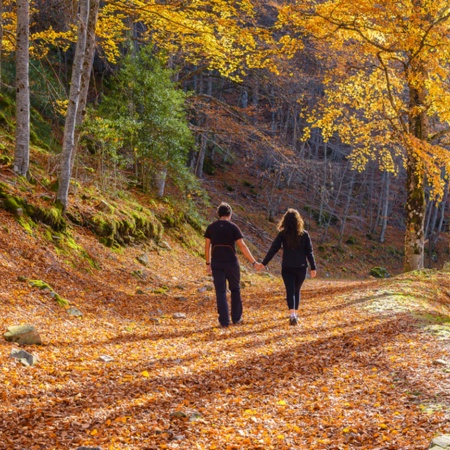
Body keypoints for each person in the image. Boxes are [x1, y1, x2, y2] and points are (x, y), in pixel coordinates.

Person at [204, 202, 263, 327]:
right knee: (235, 289)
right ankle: (236, 318)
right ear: (230, 214)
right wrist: (253, 262)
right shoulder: (233, 227)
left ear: (218, 214)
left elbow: (207, 246)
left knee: (220, 292)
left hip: (216, 263)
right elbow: (242, 246)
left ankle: (224, 321)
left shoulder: (211, 227)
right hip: (231, 263)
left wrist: (208, 263)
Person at [259, 208, 317, 325]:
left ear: (285, 221)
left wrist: (264, 263)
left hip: (287, 267)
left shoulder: (283, 234)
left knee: (290, 291)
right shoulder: (304, 234)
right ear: (298, 221)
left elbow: (274, 248)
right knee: (297, 290)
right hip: (301, 267)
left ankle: (292, 314)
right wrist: (313, 267)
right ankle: (295, 313)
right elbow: (309, 252)